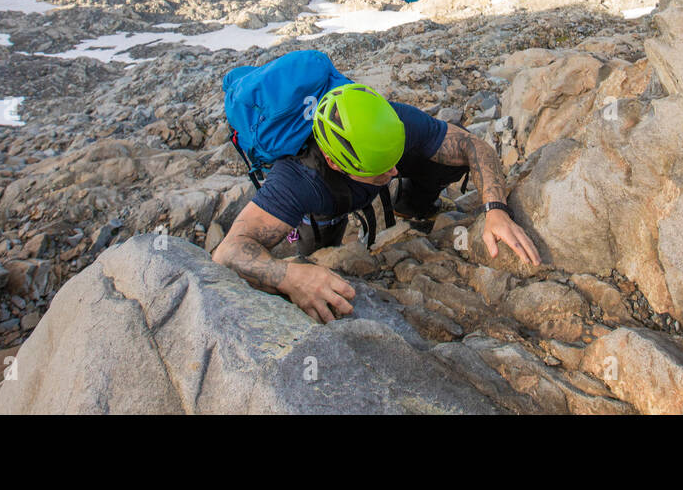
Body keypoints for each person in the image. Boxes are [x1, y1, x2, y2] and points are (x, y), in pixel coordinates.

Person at [213, 81, 540, 322]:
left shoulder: (393, 121)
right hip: (324, 201)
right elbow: (228, 252)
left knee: (442, 160)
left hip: (348, 176)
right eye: (380, 170)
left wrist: (496, 210)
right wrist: (290, 276)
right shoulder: (297, 181)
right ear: (335, 162)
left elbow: (473, 146)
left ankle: (411, 206)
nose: (395, 171)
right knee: (317, 253)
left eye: (395, 160)